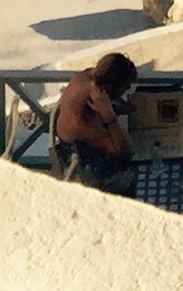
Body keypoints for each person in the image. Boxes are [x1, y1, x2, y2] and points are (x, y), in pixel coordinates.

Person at [52, 52, 137, 190]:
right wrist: (110, 116)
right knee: (130, 175)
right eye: (124, 87)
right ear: (108, 89)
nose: (127, 90)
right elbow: (126, 151)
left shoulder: (87, 76)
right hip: (80, 161)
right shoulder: (84, 117)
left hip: (70, 140)